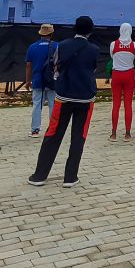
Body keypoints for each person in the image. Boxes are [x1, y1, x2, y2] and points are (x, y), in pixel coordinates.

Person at [28, 15, 101, 188]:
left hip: (64, 97)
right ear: (91, 30)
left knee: (53, 134)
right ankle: (70, 177)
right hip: (85, 98)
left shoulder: (62, 46)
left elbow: (56, 66)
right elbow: (93, 69)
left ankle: (39, 175)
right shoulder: (94, 50)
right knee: (78, 137)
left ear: (74, 28)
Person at [24, 24, 58, 137]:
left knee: (37, 105)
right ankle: (53, 130)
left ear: (40, 34)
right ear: (51, 34)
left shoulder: (32, 47)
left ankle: (35, 130)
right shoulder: (57, 46)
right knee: (53, 104)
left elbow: (28, 65)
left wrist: (28, 81)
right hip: (53, 80)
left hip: (38, 80)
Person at [109, 23, 135, 141]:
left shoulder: (113, 44)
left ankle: (114, 133)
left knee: (116, 104)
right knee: (128, 104)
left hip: (116, 74)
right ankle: (127, 134)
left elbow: (112, 57)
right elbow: (134, 57)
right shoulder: (134, 45)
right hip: (129, 74)